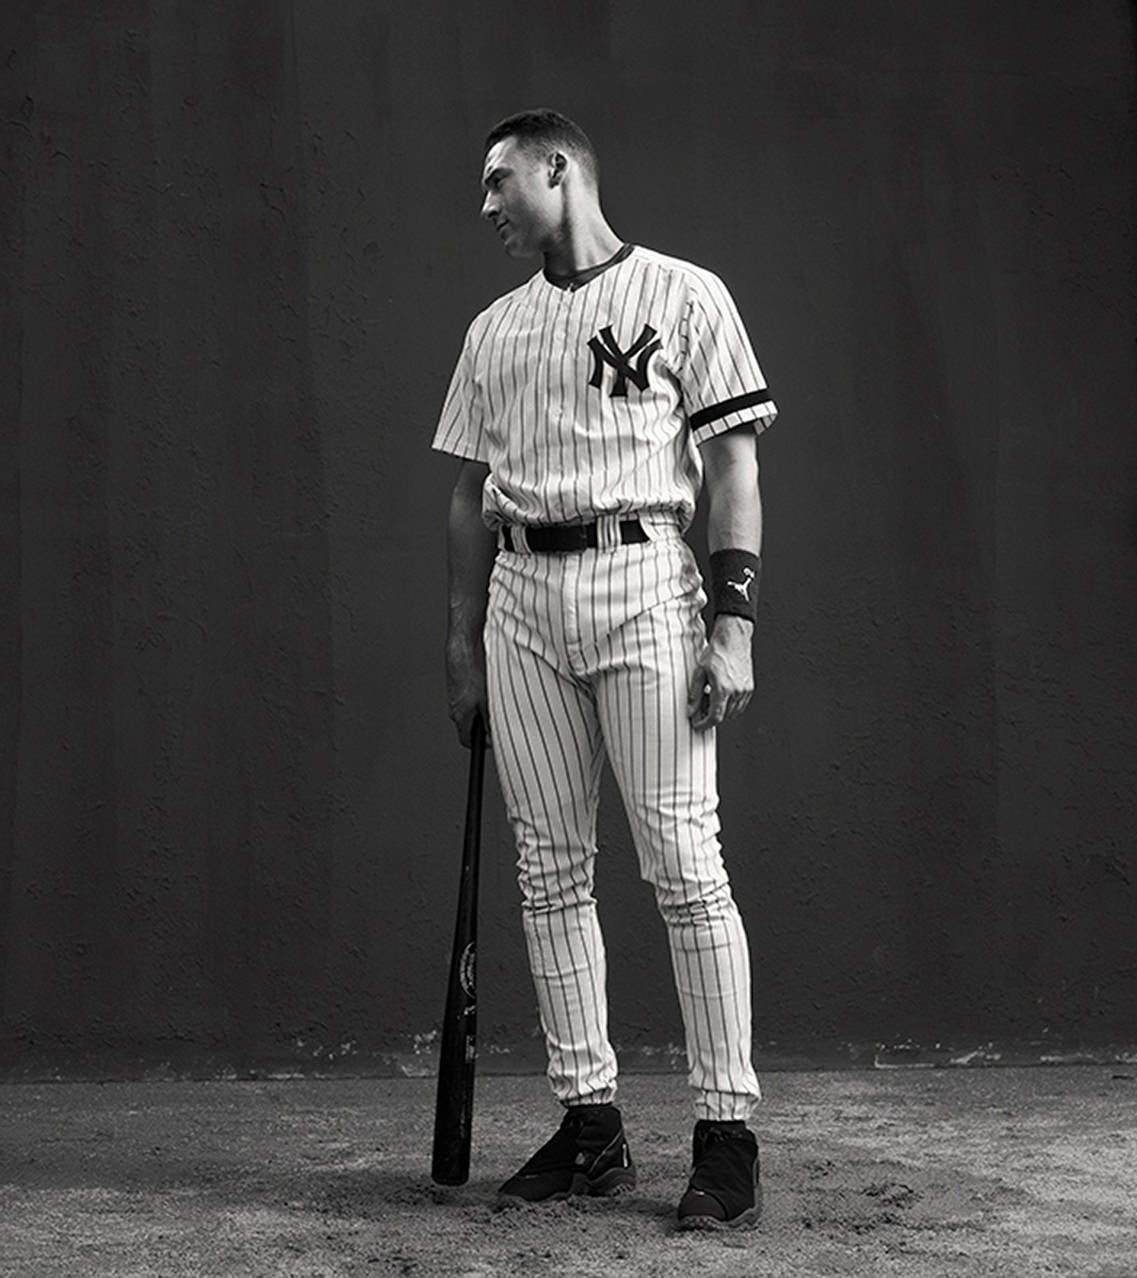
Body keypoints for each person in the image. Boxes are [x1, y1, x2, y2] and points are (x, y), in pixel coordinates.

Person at [433, 108, 776, 1231]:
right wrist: (459, 633)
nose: (484, 204)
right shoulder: (493, 329)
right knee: (547, 871)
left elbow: (731, 468)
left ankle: (725, 1136)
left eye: (498, 182)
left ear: (557, 169)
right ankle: (592, 1128)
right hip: (522, 599)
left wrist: (733, 625)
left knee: (682, 863)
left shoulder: (685, 294)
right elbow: (463, 494)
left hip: (643, 584)